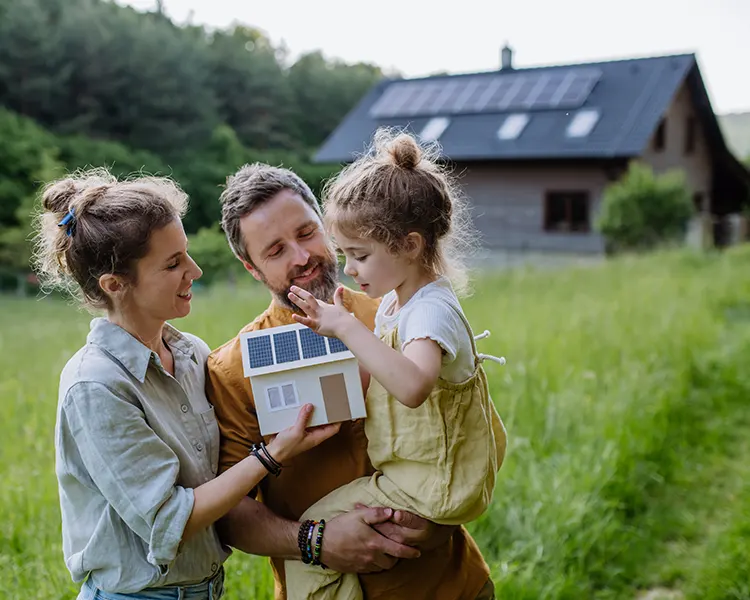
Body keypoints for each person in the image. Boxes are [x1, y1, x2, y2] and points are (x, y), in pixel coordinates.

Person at [34, 168, 338, 600]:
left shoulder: (194, 354)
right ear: (115, 285)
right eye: (173, 263)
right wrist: (272, 455)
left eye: (187, 254)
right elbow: (168, 520)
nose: (193, 271)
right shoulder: (95, 386)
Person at [206, 158, 501, 600]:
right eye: (275, 250)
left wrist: (436, 519)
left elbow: (462, 425)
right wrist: (316, 542)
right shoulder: (231, 369)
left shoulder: (395, 308)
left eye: (306, 233)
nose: (302, 257)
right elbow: (229, 514)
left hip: (451, 585)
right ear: (252, 268)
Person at [282, 129, 507, 599]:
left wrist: (347, 328)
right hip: (415, 474)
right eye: (345, 255)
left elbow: (412, 387)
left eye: (360, 256)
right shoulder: (398, 301)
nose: (350, 269)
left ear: (408, 245)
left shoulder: (429, 311)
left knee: (312, 536)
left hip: (431, 484)